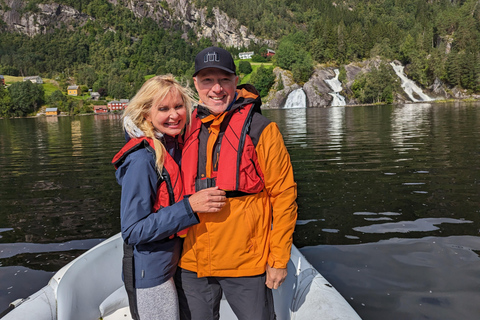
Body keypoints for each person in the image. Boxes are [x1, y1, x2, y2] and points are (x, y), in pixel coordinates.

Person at [175, 47, 298, 320]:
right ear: (195, 84)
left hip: (246, 263)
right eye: (207, 80)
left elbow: (284, 196)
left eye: (224, 79)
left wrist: (278, 260)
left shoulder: (262, 130)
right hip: (192, 262)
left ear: (235, 81)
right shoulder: (184, 128)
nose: (216, 89)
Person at [112, 75, 226, 320]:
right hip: (151, 275)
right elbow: (132, 230)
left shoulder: (174, 146)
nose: (174, 115)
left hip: (175, 264)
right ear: (146, 115)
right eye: (163, 109)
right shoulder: (142, 160)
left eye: (178, 106)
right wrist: (190, 207)